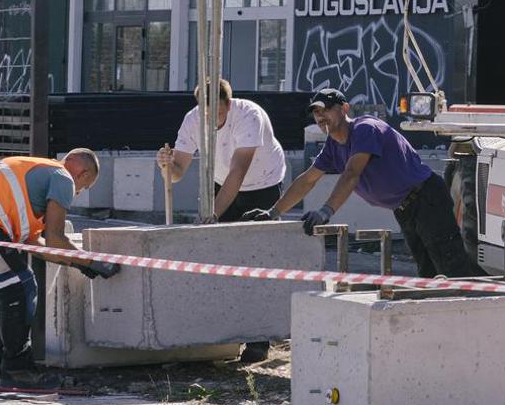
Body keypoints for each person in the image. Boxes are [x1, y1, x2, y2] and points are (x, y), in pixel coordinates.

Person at [0, 149, 118, 385]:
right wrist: (91, 262)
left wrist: (79, 263)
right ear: (81, 172)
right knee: (19, 284)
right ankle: (17, 370)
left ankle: (0, 368)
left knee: (6, 284)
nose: (78, 192)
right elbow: (55, 239)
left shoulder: (36, 180)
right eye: (84, 185)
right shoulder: (63, 178)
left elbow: (38, 245)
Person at [274, 88, 480, 278]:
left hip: (426, 198)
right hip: (404, 208)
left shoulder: (365, 129)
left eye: (327, 109)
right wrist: (274, 212)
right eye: (317, 112)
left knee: (451, 267)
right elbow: (308, 179)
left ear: (344, 108)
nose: (321, 117)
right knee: (428, 272)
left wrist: (326, 212)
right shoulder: (332, 145)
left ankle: (477, 308)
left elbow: (352, 173)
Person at [157, 78, 287, 361]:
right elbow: (177, 171)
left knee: (256, 258)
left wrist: (212, 214)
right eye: (206, 114)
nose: (212, 119)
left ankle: (258, 339)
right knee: (219, 254)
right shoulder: (193, 120)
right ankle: (221, 330)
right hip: (220, 180)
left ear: (229, 104)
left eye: (217, 113)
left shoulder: (248, 115)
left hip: (262, 184)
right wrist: (166, 166)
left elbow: (238, 173)